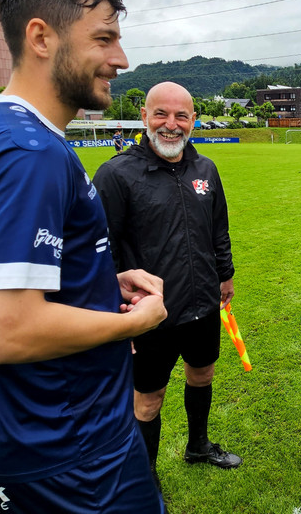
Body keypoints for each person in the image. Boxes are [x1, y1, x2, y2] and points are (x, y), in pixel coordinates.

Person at [0, 0, 167, 513]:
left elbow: (5, 275)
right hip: (67, 442)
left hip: (22, 425)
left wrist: (96, 283)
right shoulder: (31, 152)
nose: (121, 59)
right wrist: (131, 324)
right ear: (41, 38)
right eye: (104, 38)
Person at [93, 81, 241, 485]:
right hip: (147, 315)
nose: (171, 124)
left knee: (202, 374)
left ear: (193, 120)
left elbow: (218, 229)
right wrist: (113, 315)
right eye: (161, 114)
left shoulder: (205, 169)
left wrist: (225, 275)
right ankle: (145, 475)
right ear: (144, 116)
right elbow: (98, 251)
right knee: (148, 399)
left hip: (203, 303)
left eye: (181, 116)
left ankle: (199, 445)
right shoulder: (116, 174)